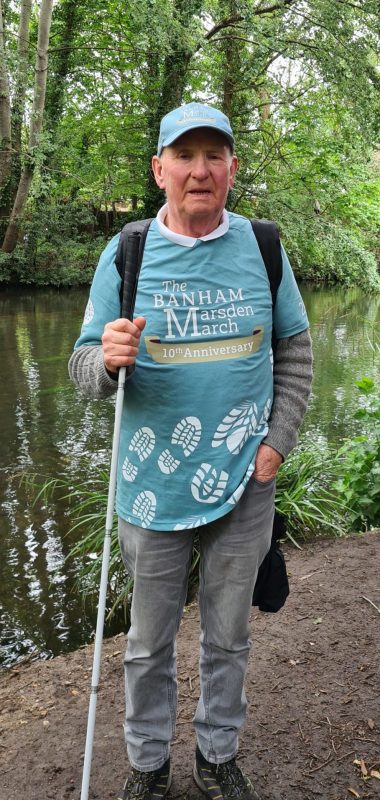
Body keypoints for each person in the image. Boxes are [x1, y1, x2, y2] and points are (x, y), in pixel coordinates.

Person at [69, 101, 313, 800]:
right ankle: (148, 766)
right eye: (185, 155)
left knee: (229, 638)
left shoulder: (264, 246)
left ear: (232, 169)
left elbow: (295, 349)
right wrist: (106, 361)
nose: (199, 170)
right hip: (152, 488)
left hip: (246, 483)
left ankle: (216, 755)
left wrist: (277, 444)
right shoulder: (128, 252)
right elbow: (84, 371)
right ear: (159, 169)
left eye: (214, 156)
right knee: (146, 646)